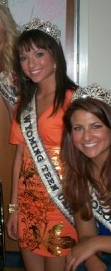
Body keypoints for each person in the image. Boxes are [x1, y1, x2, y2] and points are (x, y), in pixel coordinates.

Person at [5, 18, 78, 271]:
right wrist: (14, 208)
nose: (31, 64)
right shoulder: (23, 103)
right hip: (28, 205)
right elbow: (19, 158)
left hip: (62, 201)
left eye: (38, 54)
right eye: (24, 58)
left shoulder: (74, 100)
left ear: (55, 55)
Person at [61, 83, 111, 271]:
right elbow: (86, 236)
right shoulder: (77, 175)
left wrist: (97, 243)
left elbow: (92, 242)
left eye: (96, 126)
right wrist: (93, 261)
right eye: (78, 128)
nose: (87, 137)